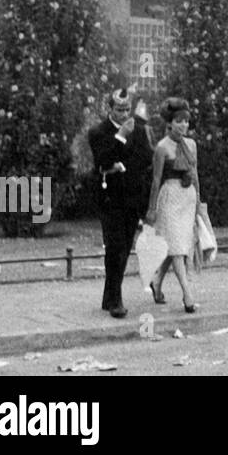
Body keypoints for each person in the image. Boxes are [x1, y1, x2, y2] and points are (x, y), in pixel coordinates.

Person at [87, 88, 154, 318]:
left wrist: (124, 166)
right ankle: (116, 300)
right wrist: (121, 136)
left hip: (132, 197)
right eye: (119, 109)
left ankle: (109, 295)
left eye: (127, 109)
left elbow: (146, 159)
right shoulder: (98, 132)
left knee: (123, 248)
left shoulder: (140, 129)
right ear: (110, 109)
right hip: (110, 199)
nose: (124, 114)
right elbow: (103, 159)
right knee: (114, 247)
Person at [145, 97, 201, 313]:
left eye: (186, 122)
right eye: (179, 122)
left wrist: (199, 203)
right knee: (178, 248)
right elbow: (156, 180)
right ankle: (187, 294)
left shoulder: (192, 145)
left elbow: (196, 175)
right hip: (169, 197)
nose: (183, 126)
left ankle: (157, 282)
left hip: (187, 199)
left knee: (176, 245)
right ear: (170, 123)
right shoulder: (161, 148)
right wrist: (151, 208)